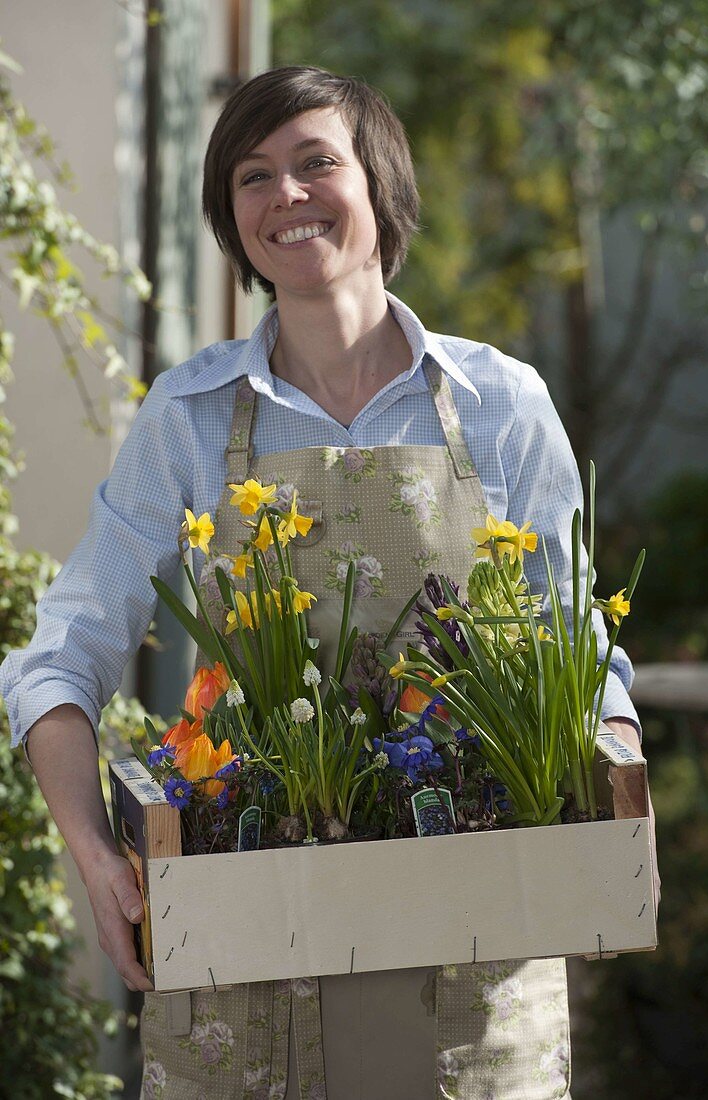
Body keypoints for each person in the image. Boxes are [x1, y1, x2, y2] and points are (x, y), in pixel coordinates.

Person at [0, 66, 658, 1099]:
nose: (287, 195)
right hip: (244, 940)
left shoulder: (499, 404)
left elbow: (572, 638)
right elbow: (62, 651)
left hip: (475, 934)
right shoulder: (189, 417)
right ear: (232, 218)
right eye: (254, 176)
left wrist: (616, 797)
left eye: (317, 162)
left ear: (379, 184)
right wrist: (92, 852)